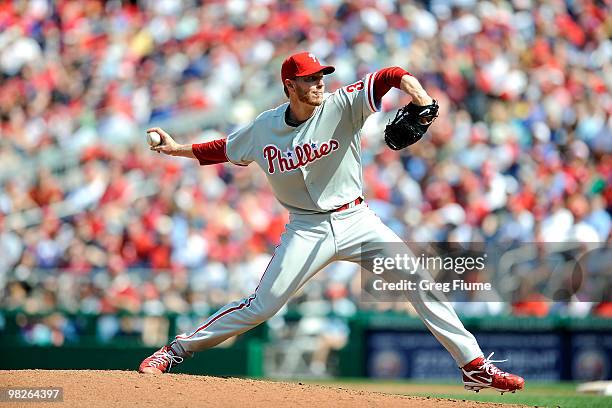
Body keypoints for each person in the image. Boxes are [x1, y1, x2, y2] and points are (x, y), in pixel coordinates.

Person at [138, 52, 524, 393]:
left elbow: (389, 75)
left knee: (417, 280)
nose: (319, 82)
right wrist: (176, 149)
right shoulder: (263, 128)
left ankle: (473, 366)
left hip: (357, 219)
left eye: (321, 75)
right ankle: (174, 351)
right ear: (290, 86)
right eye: (310, 78)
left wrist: (419, 95)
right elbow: (223, 149)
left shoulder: (341, 104)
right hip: (306, 229)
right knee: (261, 307)